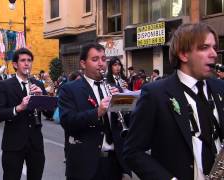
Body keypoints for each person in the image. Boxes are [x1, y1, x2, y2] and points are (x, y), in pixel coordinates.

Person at [123, 22, 224, 179]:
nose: (214, 54)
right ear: (183, 54)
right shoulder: (155, 94)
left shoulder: (220, 87)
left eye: (214, 47)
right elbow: (132, 152)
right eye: (204, 47)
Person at [58, 43, 131, 180]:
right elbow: (67, 122)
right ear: (83, 64)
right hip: (85, 165)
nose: (101, 64)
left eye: (103, 59)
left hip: (114, 163)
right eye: (95, 59)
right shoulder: (69, 89)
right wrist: (97, 112)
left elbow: (126, 123)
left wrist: (126, 106)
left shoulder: (114, 88)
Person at [0, 48, 47, 180]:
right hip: (13, 144)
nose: (27, 63)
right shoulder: (4, 85)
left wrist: (42, 98)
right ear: (15, 65)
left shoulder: (38, 84)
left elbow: (50, 112)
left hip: (35, 144)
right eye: (23, 60)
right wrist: (19, 108)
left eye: (29, 60)